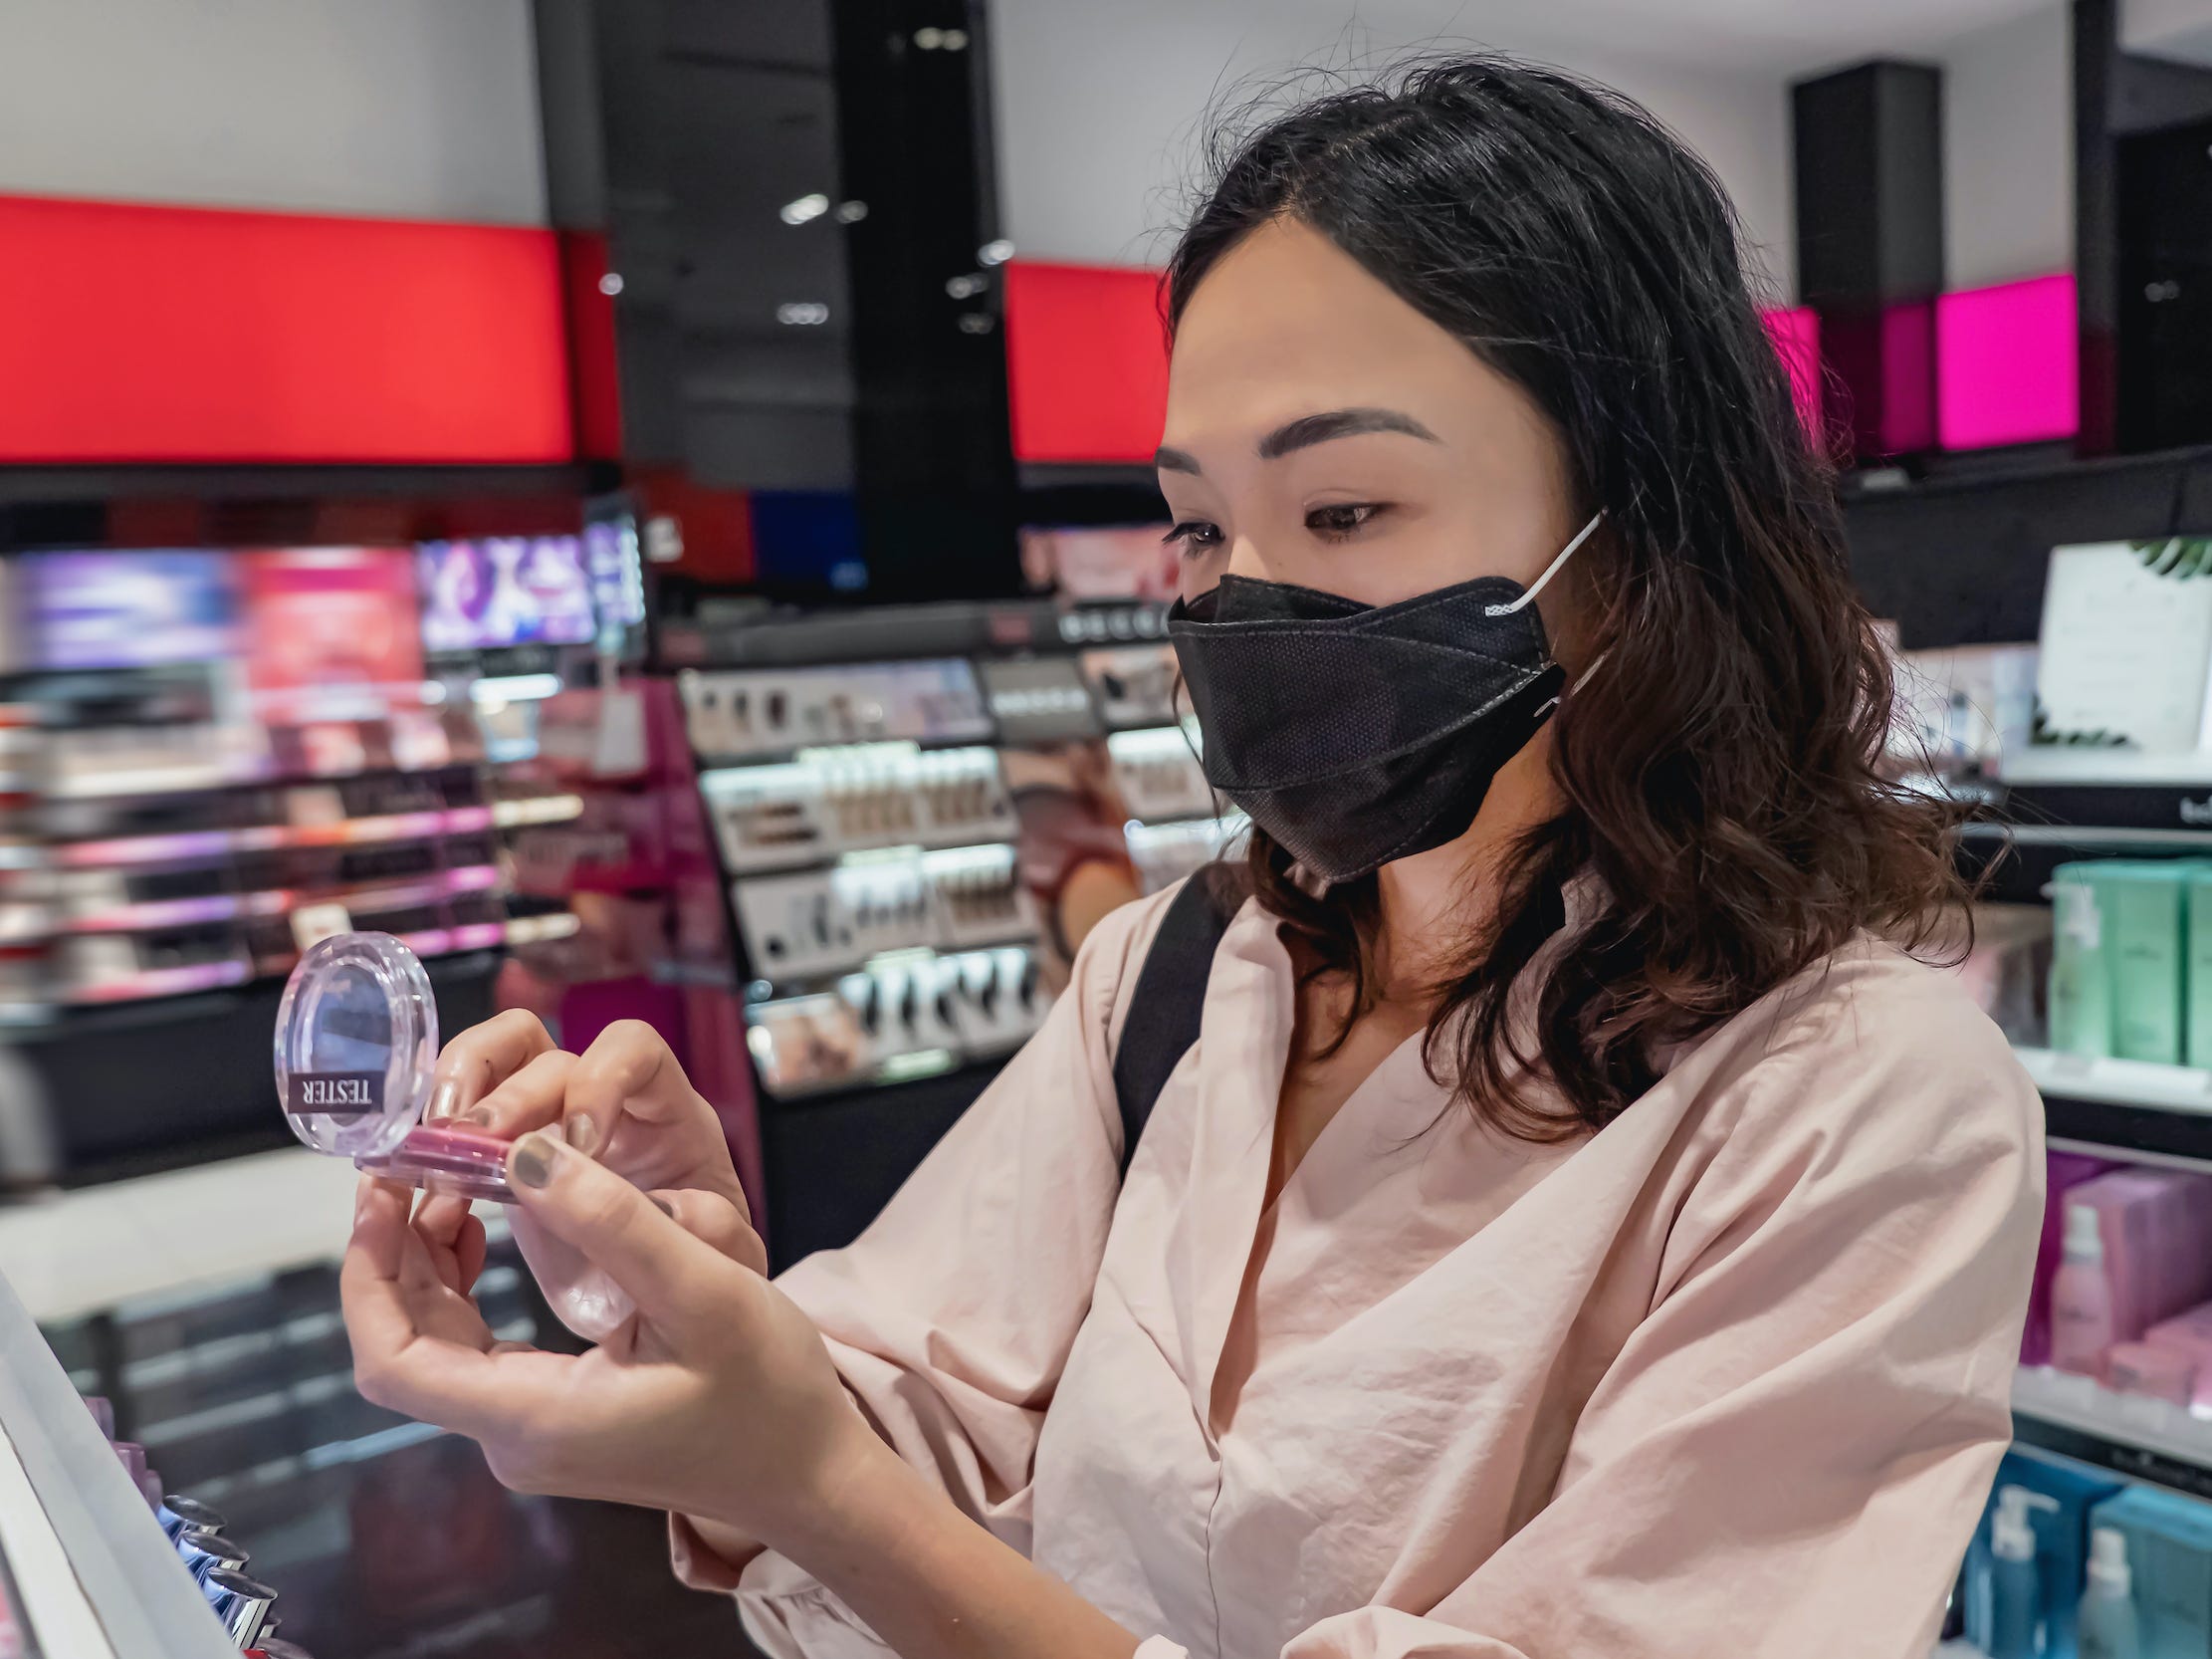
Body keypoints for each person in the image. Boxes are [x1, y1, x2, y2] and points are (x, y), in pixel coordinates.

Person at [340, 55, 2042, 1659]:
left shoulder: (1855, 1105)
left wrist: (812, 1474)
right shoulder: (1175, 979)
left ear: (1641, 544)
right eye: (1201, 524)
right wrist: (697, 1307)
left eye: (1347, 511)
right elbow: (912, 1415)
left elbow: (847, 1496)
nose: (1242, 603)